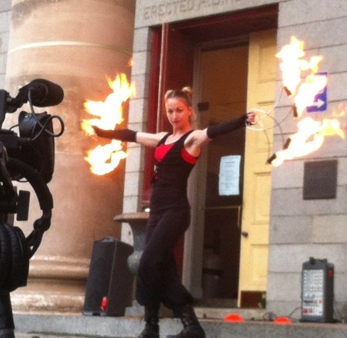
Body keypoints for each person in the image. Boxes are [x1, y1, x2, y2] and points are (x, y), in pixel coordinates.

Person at [93, 87, 256, 338]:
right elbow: (131, 134)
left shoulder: (192, 139)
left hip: (176, 211)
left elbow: (216, 130)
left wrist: (243, 119)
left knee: (147, 264)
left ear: (189, 110)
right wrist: (102, 132)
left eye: (179, 110)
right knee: (163, 268)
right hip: (156, 212)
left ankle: (155, 323)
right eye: (170, 111)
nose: (174, 115)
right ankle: (184, 327)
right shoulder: (161, 138)